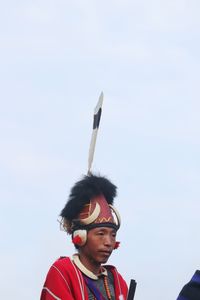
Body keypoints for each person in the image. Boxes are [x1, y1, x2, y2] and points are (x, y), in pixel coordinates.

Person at [40, 174, 128, 300]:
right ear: (80, 236)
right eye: (101, 233)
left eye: (113, 235)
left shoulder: (117, 281)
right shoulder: (63, 272)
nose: (108, 242)